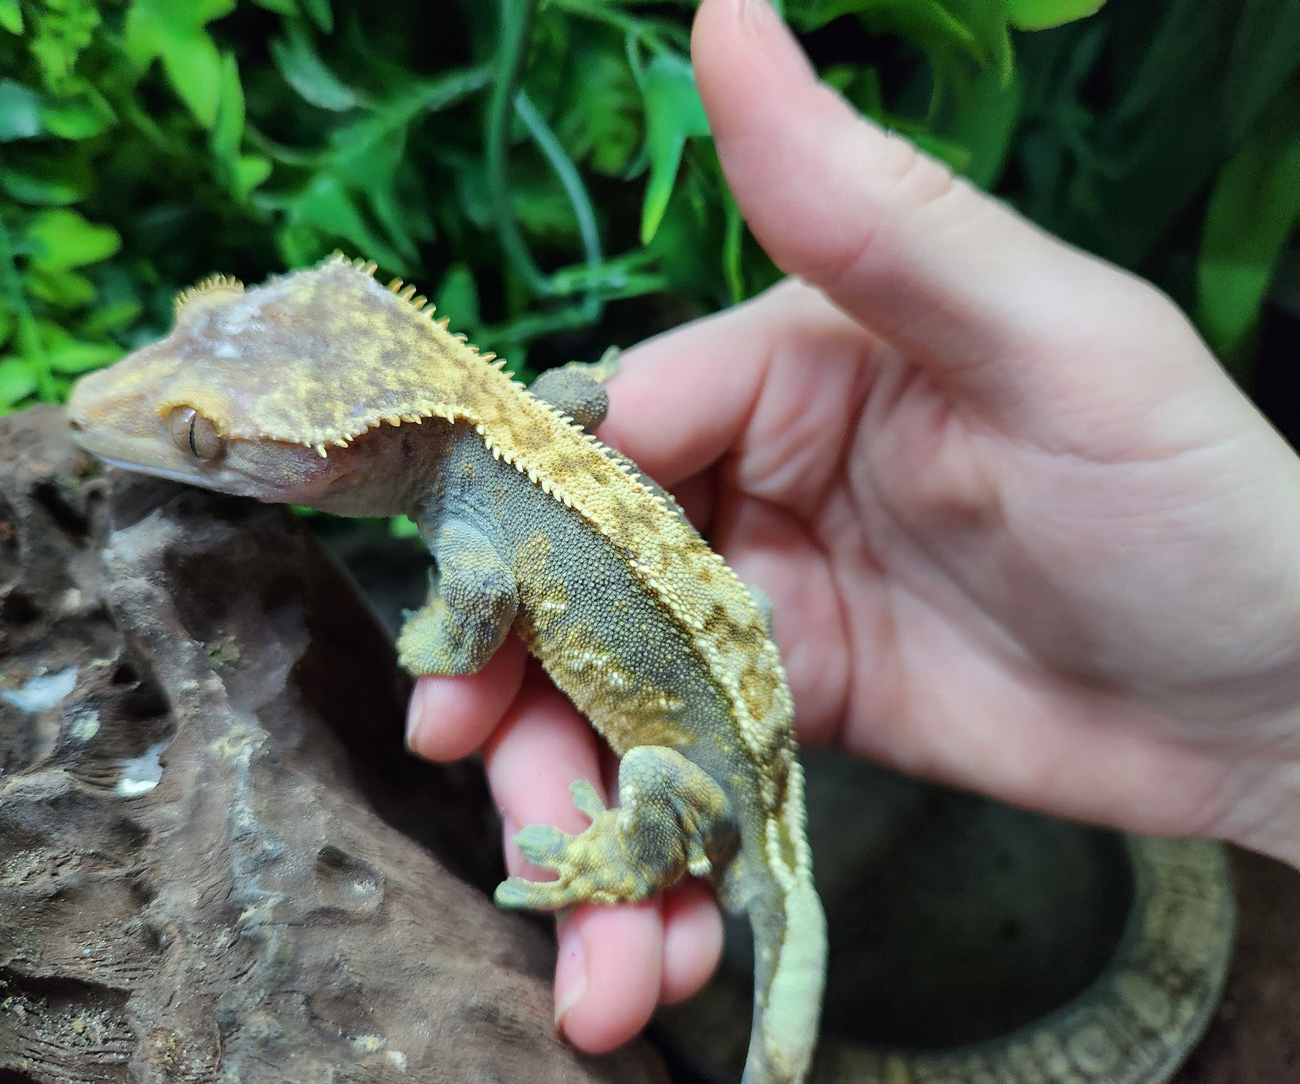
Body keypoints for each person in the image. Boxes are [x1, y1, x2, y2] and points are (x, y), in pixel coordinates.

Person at [402, 0, 1300, 1055]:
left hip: (705, 754)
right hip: (733, 692)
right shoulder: (505, 434)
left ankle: (632, 857)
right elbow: (576, 399)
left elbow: (501, 551)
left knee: (649, 784)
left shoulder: (478, 466)